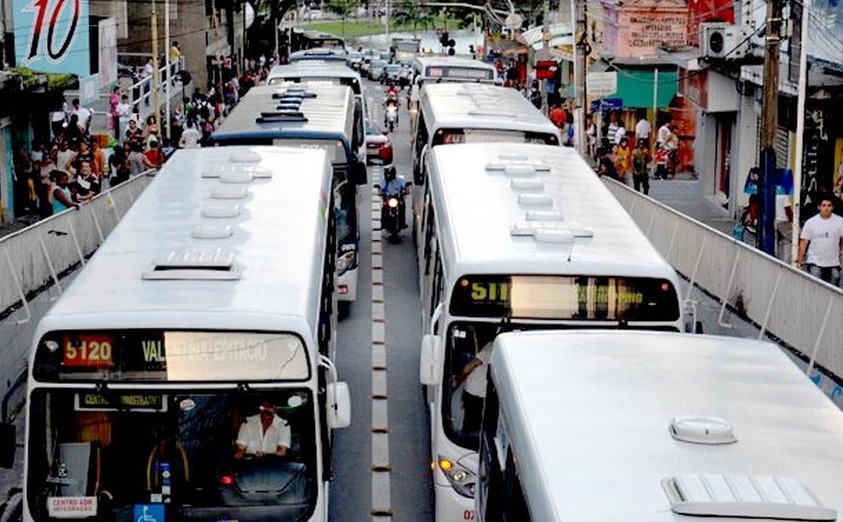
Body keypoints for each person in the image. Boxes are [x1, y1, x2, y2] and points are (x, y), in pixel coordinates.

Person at [797, 195, 843, 286]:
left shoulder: (840, 221)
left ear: (832, 207)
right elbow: (803, 242)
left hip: (833, 263)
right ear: (819, 207)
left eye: (829, 206)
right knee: (815, 287)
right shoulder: (811, 222)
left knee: (834, 287)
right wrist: (799, 261)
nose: (826, 208)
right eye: (824, 205)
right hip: (815, 262)